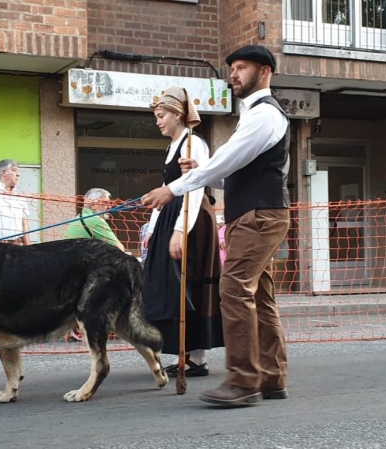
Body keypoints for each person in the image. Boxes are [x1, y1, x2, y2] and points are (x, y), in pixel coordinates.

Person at [141, 45, 291, 406]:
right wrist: (204, 177)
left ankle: (243, 381)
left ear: (265, 71)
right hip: (256, 214)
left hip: (258, 216)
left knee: (235, 289)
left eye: (242, 68)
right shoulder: (256, 114)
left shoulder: (263, 115)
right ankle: (270, 378)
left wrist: (173, 188)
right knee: (258, 295)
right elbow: (236, 171)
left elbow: (227, 159)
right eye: (233, 68)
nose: (234, 74)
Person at [141, 87, 223, 378]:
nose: (158, 122)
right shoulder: (172, 146)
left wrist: (178, 231)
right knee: (169, 284)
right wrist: (153, 228)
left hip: (191, 219)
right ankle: (183, 352)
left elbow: (195, 186)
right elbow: (167, 191)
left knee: (192, 282)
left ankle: (196, 358)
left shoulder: (193, 143)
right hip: (173, 215)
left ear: (177, 114)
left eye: (162, 116)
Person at [64, 187, 125, 341]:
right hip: (86, 273)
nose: (109, 206)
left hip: (72, 271)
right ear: (94, 203)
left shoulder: (77, 218)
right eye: (106, 202)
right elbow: (119, 248)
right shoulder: (95, 220)